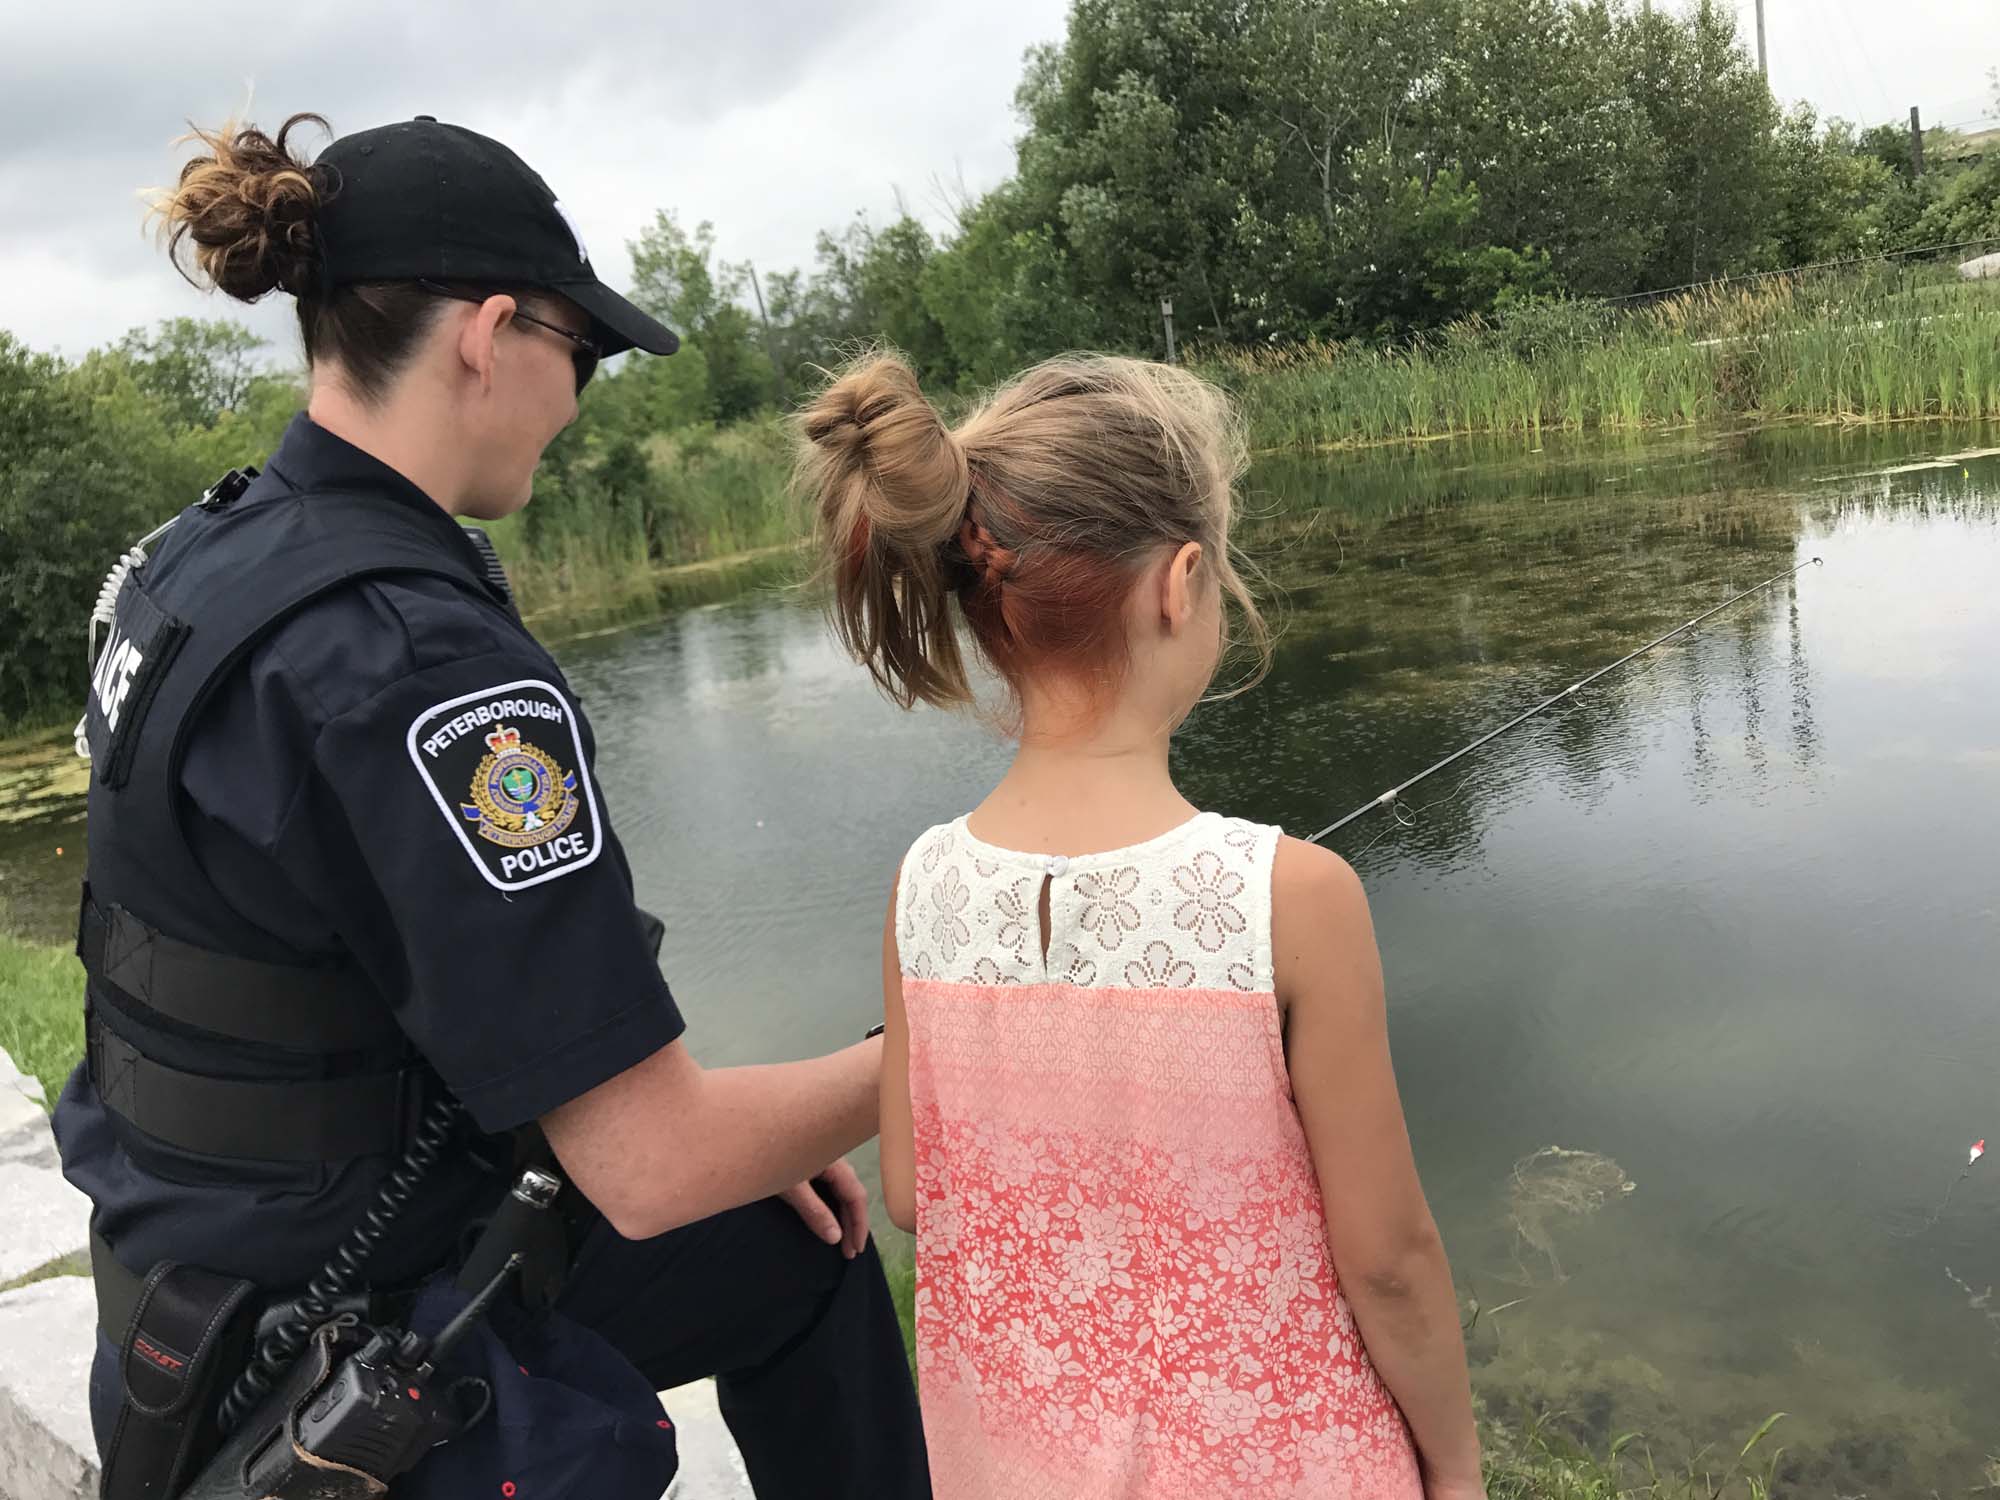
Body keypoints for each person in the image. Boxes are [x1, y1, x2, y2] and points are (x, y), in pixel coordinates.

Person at [56, 113, 927, 1498]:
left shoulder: (195, 562)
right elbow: (650, 1165)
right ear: (492, 331)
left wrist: (743, 1150)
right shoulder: (419, 662)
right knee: (784, 1234)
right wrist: (943, 1048)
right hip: (346, 1362)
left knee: (782, 1255)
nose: (579, 399)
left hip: (180, 1308)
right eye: (579, 355)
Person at [794, 352, 1486, 1499]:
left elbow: (918, 1195)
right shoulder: (1292, 894)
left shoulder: (922, 885)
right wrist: (1454, 1472)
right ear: (1177, 584)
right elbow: (1391, 1262)